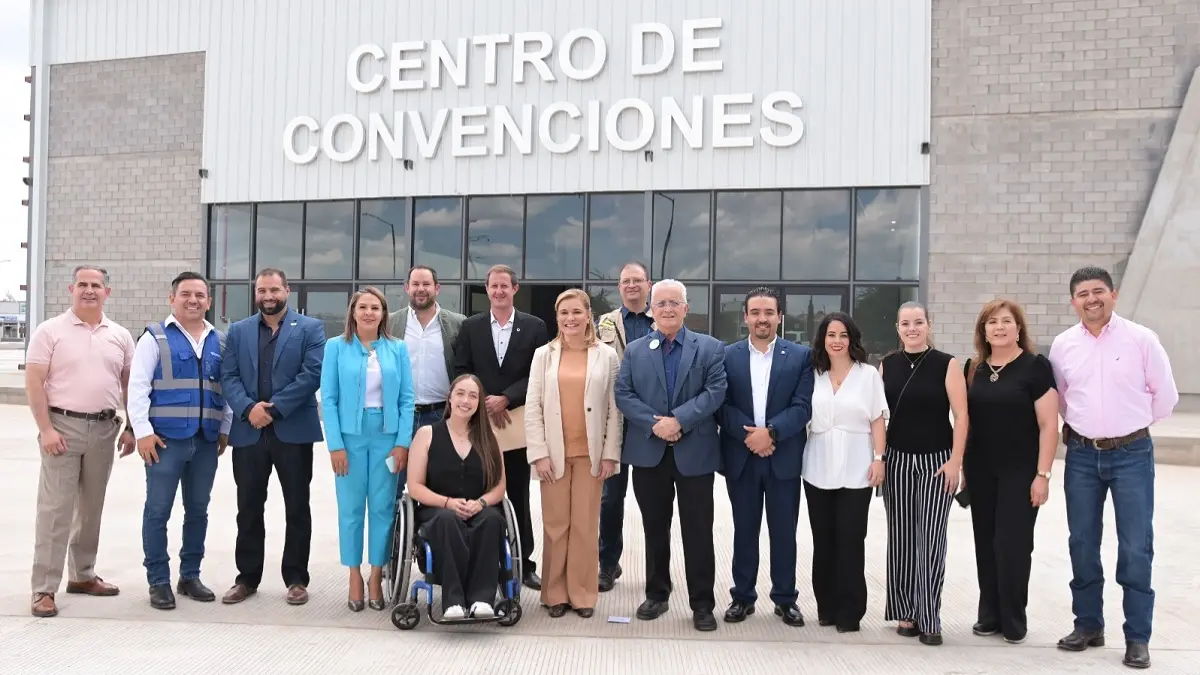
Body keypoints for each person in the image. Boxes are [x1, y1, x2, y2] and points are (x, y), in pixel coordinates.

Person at [1050, 266, 1178, 670]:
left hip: (1132, 454)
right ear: (1073, 301)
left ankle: (1137, 636)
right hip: (1082, 456)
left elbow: (1165, 395)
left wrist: (1129, 427)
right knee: (1082, 543)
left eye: (1099, 291)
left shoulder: (1141, 339)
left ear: (1113, 294)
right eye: (1083, 293)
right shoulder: (1063, 345)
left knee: (1136, 546)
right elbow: (1064, 399)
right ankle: (1088, 625)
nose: (1092, 299)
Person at [614, 279, 727, 632]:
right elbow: (624, 394)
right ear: (651, 309)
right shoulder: (634, 351)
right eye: (660, 303)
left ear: (685, 308)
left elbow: (715, 391)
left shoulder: (710, 348)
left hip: (694, 454)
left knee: (698, 531)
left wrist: (680, 420)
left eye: (674, 303)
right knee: (654, 529)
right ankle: (657, 594)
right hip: (650, 454)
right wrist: (655, 424)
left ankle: (702, 604)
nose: (666, 309)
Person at [26, 265, 136, 618]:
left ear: (108, 291)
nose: (90, 290)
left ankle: (83, 575)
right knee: (55, 510)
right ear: (71, 289)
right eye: (83, 285)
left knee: (91, 508)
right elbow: (34, 381)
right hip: (62, 427)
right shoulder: (50, 331)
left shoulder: (119, 335)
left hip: (104, 430)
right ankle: (44, 588)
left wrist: (132, 427)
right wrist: (46, 429)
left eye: (97, 285)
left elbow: (129, 386)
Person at [219, 268, 325, 606]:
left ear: (287, 291)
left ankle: (296, 579)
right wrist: (249, 409)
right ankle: (247, 579)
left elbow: (312, 375)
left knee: (297, 507)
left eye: (274, 290)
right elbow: (228, 375)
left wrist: (274, 409)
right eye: (262, 290)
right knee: (248, 508)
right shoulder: (237, 331)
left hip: (292, 431)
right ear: (255, 293)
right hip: (249, 432)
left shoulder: (310, 328)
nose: (268, 296)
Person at [127, 271, 232, 610]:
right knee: (158, 511)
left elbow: (226, 390)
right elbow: (138, 388)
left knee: (198, 511)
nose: (193, 300)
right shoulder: (155, 337)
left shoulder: (221, 341)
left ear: (209, 301)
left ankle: (189, 575)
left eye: (200, 295)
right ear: (172, 298)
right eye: (186, 294)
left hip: (205, 441)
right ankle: (158, 581)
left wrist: (225, 428)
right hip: (164, 443)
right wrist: (142, 432)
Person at [962, 299, 1058, 646]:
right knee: (985, 543)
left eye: (1006, 321)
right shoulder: (973, 369)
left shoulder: (1035, 367)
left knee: (1012, 545)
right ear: (983, 330)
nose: (999, 327)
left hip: (1021, 471)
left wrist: (1042, 475)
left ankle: (1014, 618)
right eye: (991, 322)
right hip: (980, 469)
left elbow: (1049, 426)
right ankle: (989, 614)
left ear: (1019, 328)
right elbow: (963, 421)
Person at [718, 287, 813, 627]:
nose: (762, 318)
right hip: (742, 457)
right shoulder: (726, 356)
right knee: (744, 530)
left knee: (783, 531)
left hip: (782, 456)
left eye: (769, 312)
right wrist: (752, 437)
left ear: (780, 317)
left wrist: (770, 434)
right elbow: (721, 406)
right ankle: (742, 597)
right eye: (755, 312)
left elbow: (802, 407)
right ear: (745, 317)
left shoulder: (801, 356)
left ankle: (785, 599)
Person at [525, 289, 622, 618]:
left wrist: (611, 453)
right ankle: (555, 595)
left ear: (588, 314)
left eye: (577, 312)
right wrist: (538, 453)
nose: (570, 318)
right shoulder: (544, 355)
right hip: (552, 455)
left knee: (584, 525)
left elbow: (614, 411)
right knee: (555, 525)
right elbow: (533, 408)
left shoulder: (606, 355)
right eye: (564, 313)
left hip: (591, 455)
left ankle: (582, 595)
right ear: (557, 317)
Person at [453, 264, 548, 590]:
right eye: (493, 286)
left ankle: (524, 564)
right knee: (479, 492)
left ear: (515, 289)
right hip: (479, 425)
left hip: (517, 423)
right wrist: (482, 401)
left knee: (519, 494)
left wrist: (506, 398)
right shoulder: (471, 326)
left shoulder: (534, 327)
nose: (498, 292)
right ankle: (483, 561)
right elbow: (461, 369)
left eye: (504, 286)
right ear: (487, 289)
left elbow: (539, 373)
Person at [321, 287, 415, 612]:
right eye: (363, 307)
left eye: (375, 307)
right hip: (349, 439)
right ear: (353, 312)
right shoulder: (335, 347)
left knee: (382, 509)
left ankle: (376, 573)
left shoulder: (397, 349)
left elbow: (406, 399)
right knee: (350, 511)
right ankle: (354, 575)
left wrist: (403, 442)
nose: (369, 312)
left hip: (387, 438)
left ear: (383, 313)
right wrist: (335, 446)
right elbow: (328, 400)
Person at [879, 301, 967, 645]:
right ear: (898, 329)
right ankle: (905, 611)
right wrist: (881, 457)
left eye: (918, 322)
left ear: (928, 325)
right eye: (905, 323)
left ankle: (930, 615)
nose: (912, 328)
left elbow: (961, 416)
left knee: (930, 540)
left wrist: (956, 461)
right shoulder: (886, 366)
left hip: (937, 461)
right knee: (900, 538)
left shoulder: (947, 364)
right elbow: (880, 417)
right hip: (897, 460)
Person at [801, 312, 886, 633]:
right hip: (818, 463)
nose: (837, 341)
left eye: (843, 335)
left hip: (857, 464)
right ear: (823, 339)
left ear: (852, 339)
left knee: (851, 539)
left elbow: (878, 418)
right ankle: (827, 607)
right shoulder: (813, 374)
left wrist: (880, 458)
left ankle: (850, 611)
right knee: (824, 541)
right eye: (830, 334)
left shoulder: (867, 375)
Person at [406, 374, 509, 620]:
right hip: (437, 508)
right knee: (446, 520)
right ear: (449, 397)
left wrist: (481, 502)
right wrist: (448, 503)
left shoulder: (489, 437)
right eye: (460, 393)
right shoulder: (427, 434)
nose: (466, 400)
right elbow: (415, 486)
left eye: (473, 396)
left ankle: (482, 599)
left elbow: (499, 487)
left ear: (479, 403)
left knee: (492, 520)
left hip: (478, 506)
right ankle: (453, 601)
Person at [595, 261, 654, 592]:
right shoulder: (603, 322)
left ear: (649, 284)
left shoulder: (660, 320)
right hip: (614, 424)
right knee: (610, 500)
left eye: (637, 280)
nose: (631, 285)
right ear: (619, 287)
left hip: (649, 425)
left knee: (653, 502)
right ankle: (607, 564)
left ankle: (655, 570)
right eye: (625, 281)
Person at [389, 265, 465, 430]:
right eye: (415, 284)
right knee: (401, 457)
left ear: (437, 288)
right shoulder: (389, 323)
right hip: (401, 414)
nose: (421, 289)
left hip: (443, 414)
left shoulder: (457, 324)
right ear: (407, 288)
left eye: (426, 284)